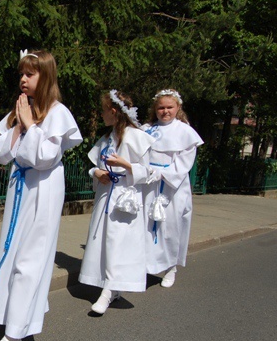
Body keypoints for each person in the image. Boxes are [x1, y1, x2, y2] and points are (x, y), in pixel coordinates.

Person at [0, 49, 82, 341]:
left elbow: (44, 158)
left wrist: (31, 126)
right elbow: (1, 154)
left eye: (30, 73)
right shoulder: (21, 109)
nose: (23, 79)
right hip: (20, 187)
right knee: (10, 251)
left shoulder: (58, 112)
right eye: (21, 73)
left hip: (43, 187)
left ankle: (15, 334)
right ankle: (5, 315)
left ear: (46, 76)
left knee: (31, 256)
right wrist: (19, 125)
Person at [78, 90, 155, 315]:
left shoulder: (136, 137)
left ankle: (109, 290)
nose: (101, 115)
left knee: (117, 242)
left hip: (124, 197)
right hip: (106, 194)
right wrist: (97, 173)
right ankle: (109, 285)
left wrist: (127, 164)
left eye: (103, 110)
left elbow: (149, 173)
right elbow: (94, 165)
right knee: (103, 240)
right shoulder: (106, 138)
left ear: (113, 111)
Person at [141, 89, 204, 287]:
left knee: (171, 226)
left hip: (172, 187)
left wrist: (162, 173)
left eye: (169, 107)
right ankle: (146, 264)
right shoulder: (146, 129)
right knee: (146, 225)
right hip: (148, 184)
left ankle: (171, 267)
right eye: (161, 107)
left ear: (178, 108)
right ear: (155, 109)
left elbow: (184, 164)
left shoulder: (185, 132)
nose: (165, 111)